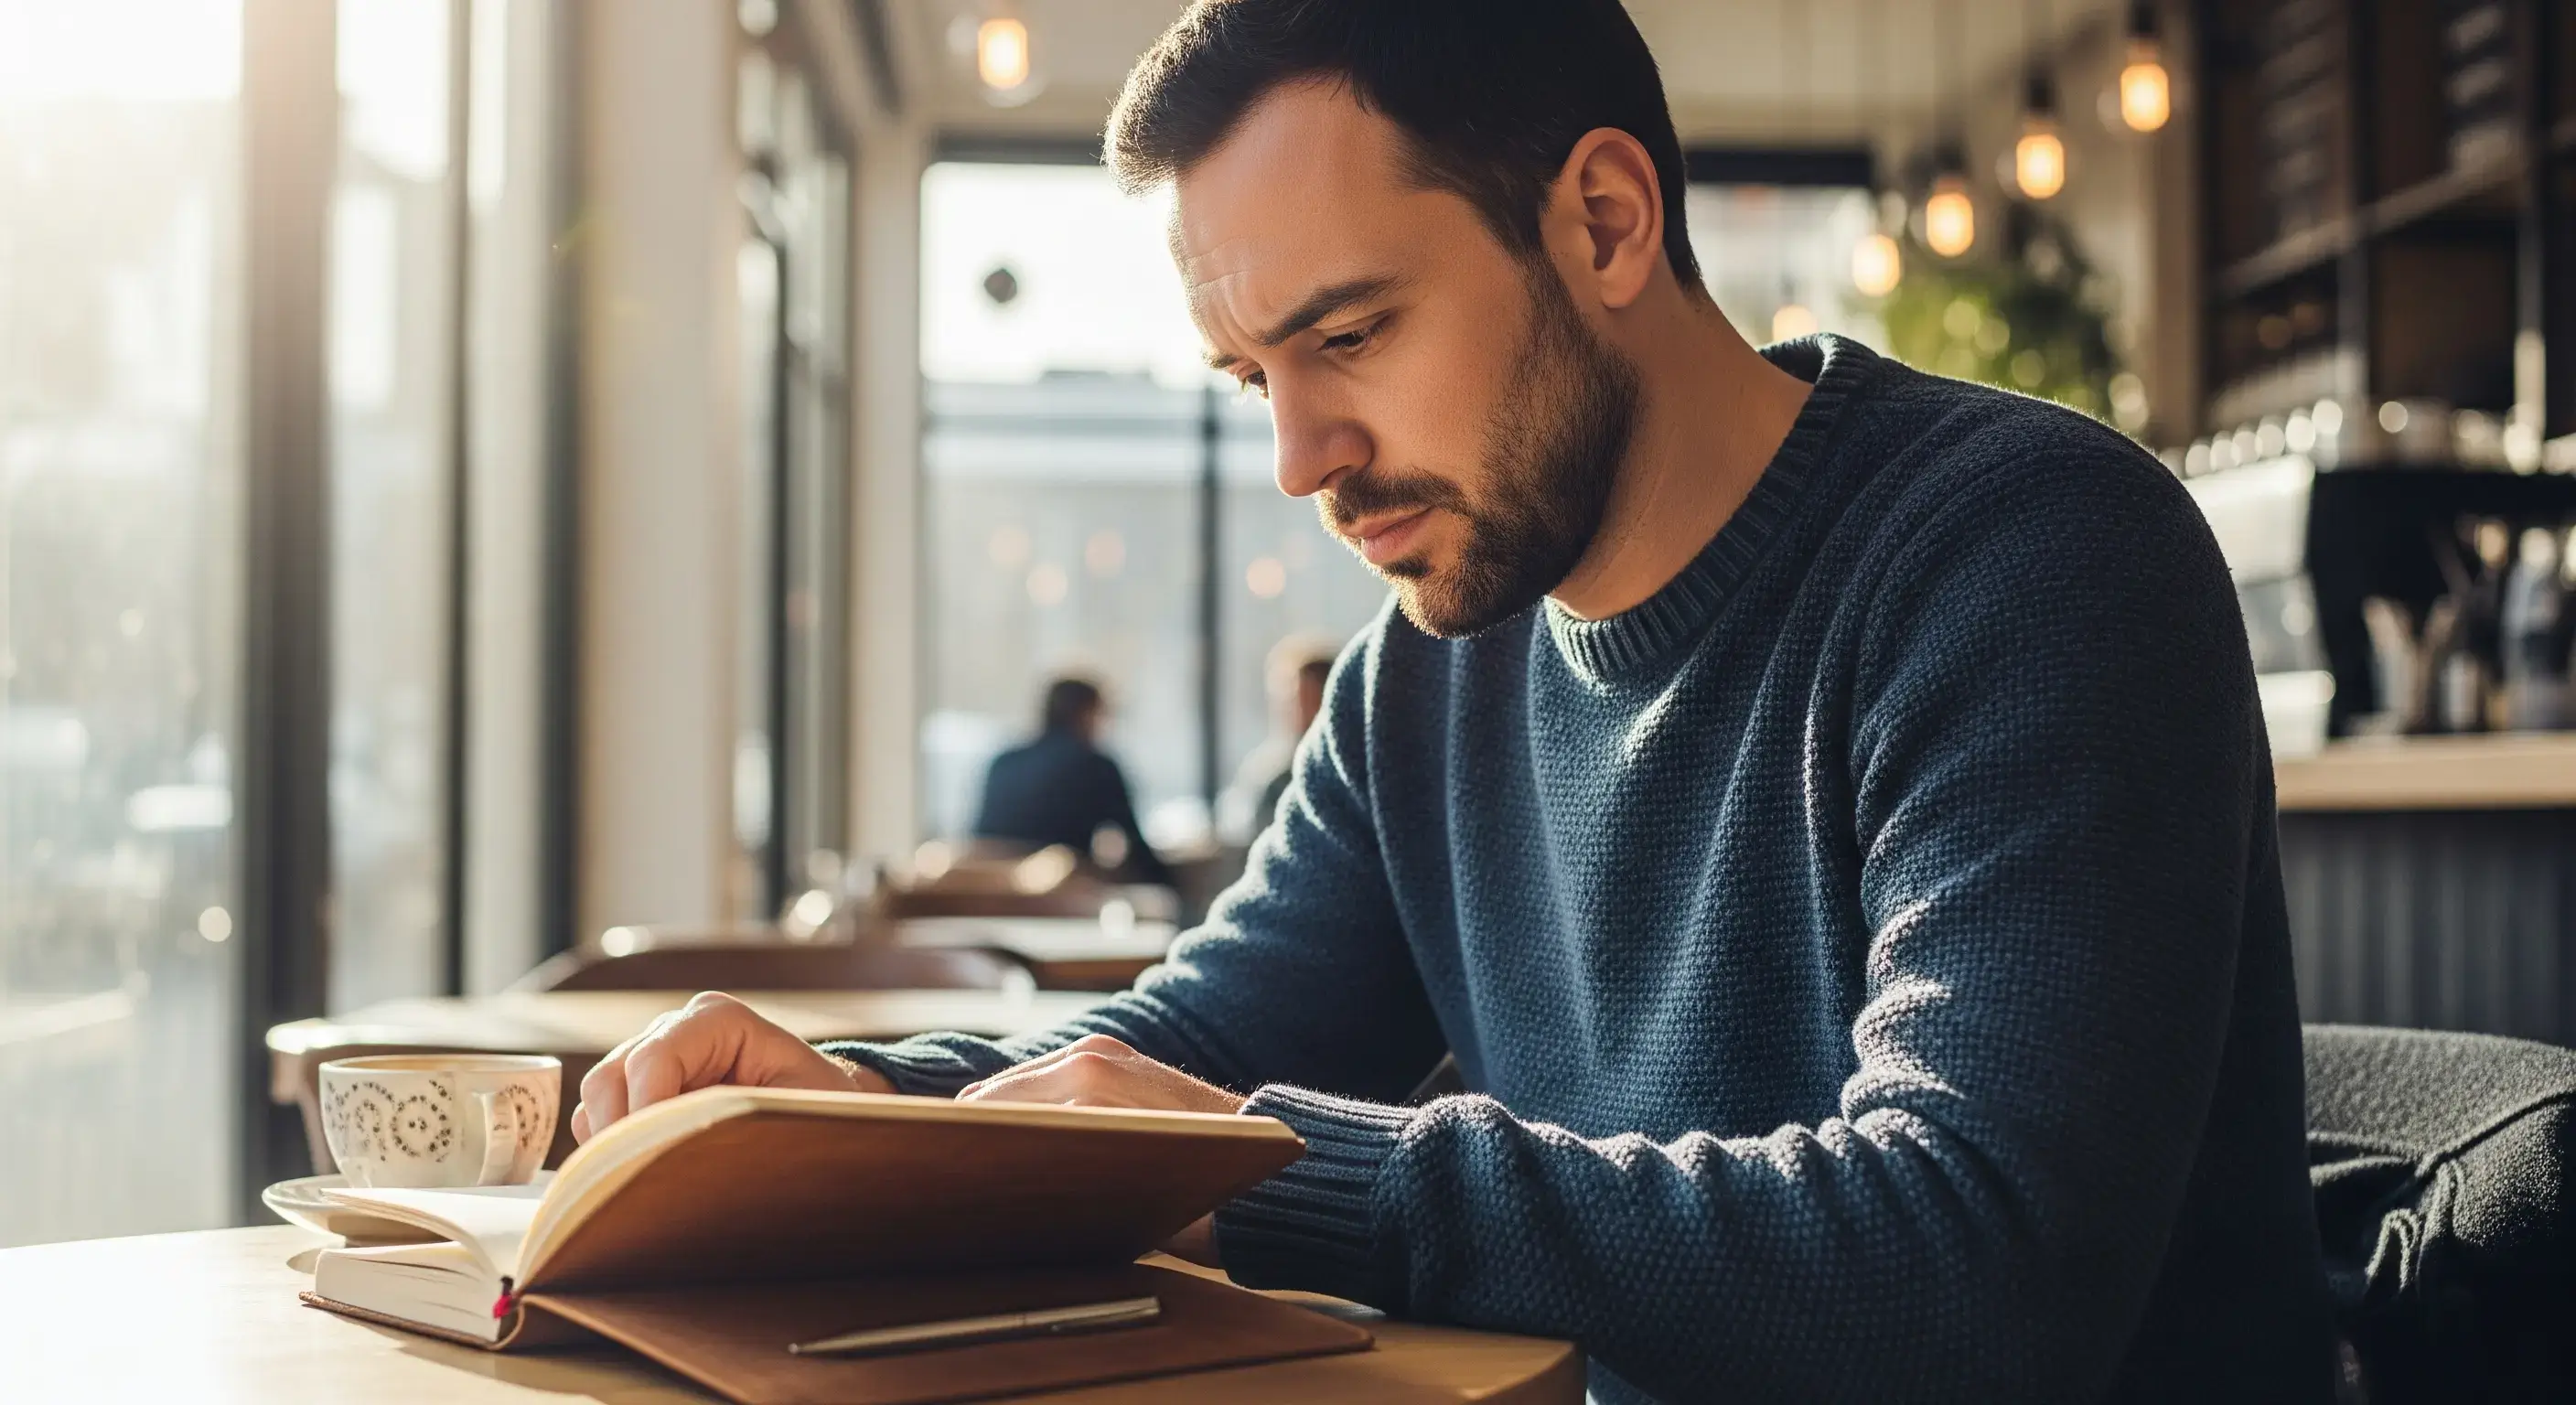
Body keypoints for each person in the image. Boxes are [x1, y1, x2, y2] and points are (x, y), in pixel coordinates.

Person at [567, 3, 2336, 1399]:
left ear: (1605, 222)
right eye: (1252, 376)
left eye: (1348, 337)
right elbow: (1195, 1056)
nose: (1299, 458)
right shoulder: (1426, 675)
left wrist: (1277, 1175)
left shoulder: (2028, 558)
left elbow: (1973, 1271)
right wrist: (836, 1117)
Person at [971, 675, 1167, 885]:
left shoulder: (1004, 761)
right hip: (1059, 888)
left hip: (990, 885)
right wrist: (1172, 885)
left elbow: (979, 834)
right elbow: (1134, 843)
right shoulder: (1094, 765)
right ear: (1087, 713)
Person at [1216, 633, 1339, 842]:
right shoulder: (1269, 771)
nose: (1296, 710)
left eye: (1306, 699)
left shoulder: (1337, 771)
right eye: (1290, 699)